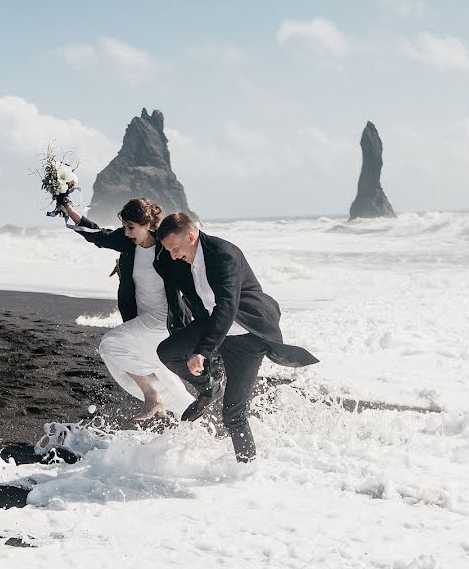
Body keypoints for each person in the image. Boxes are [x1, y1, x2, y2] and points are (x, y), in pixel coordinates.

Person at [154, 213, 319, 462]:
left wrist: (203, 351)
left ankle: (246, 470)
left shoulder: (223, 255)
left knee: (233, 412)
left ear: (190, 236)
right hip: (214, 328)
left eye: (175, 249)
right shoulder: (186, 256)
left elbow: (227, 308)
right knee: (168, 352)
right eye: (169, 250)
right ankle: (210, 385)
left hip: (246, 337)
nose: (173, 255)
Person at [60, 198, 195, 420]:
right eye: (124, 227)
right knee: (157, 371)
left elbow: (195, 271)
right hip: (141, 319)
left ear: (148, 225)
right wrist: (69, 210)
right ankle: (191, 417)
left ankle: (152, 397)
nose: (126, 232)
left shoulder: (166, 247)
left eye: (131, 227)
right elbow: (97, 235)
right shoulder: (127, 244)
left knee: (111, 344)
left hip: (165, 319)